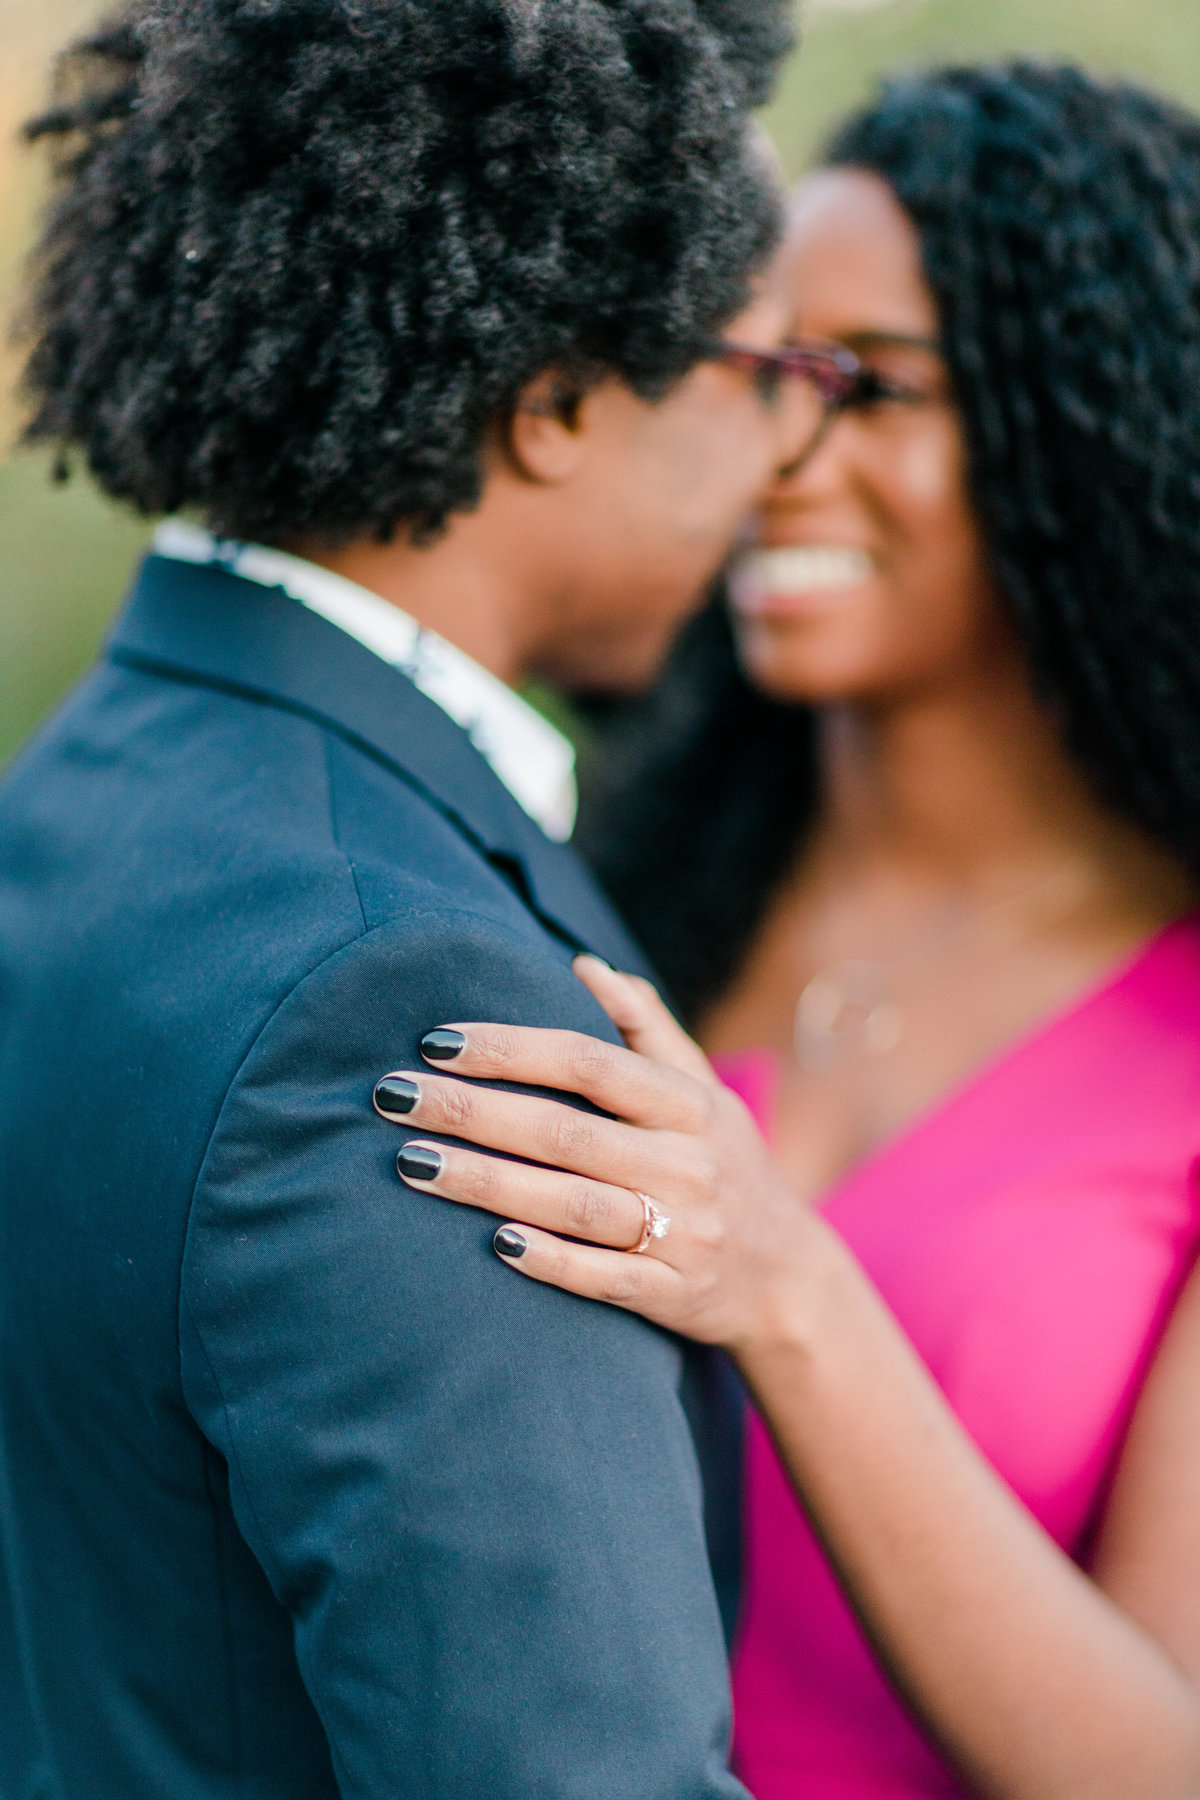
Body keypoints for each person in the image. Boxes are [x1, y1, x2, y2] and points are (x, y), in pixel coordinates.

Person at [0, 1, 842, 1794]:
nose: (788, 455)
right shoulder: (410, 992)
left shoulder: (82, 786)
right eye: (768, 372)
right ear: (554, 406)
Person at [368, 65, 1200, 1800]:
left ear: (1091, 422)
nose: (772, 453)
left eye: (869, 387)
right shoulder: (603, 881)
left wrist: (787, 1286)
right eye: (755, 375)